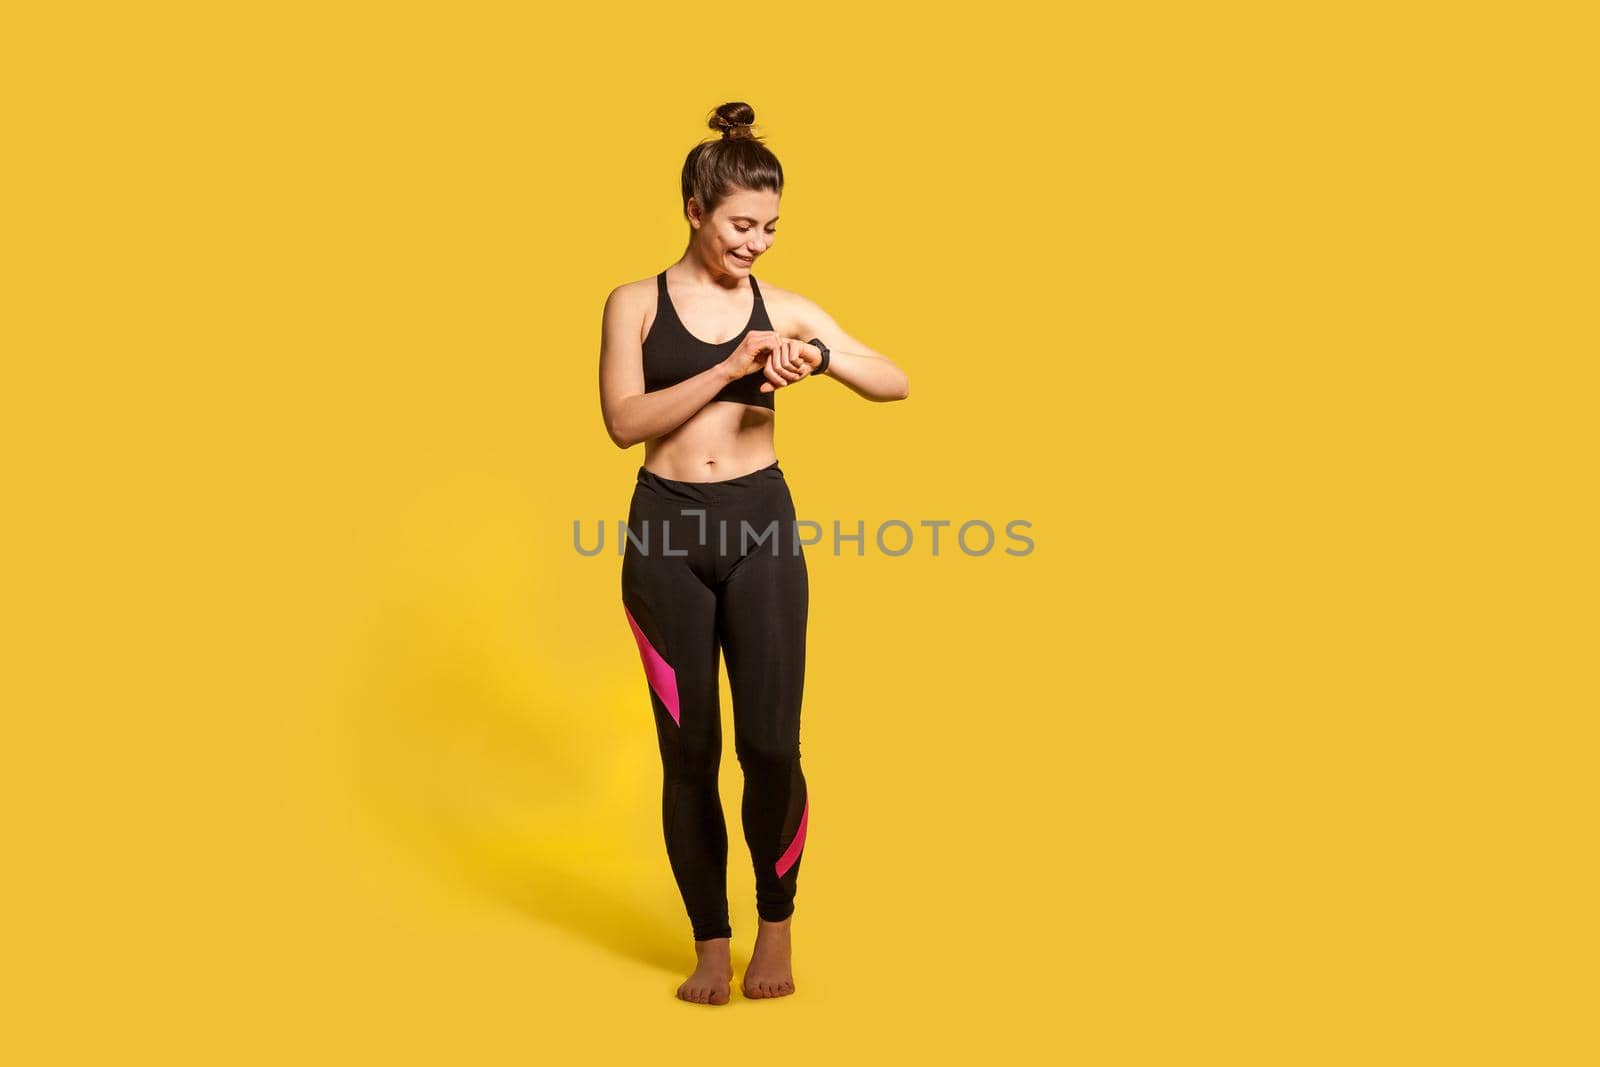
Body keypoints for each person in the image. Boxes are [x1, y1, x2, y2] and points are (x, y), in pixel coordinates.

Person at [597, 101, 910, 1005]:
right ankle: (710, 944)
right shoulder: (635, 302)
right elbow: (625, 422)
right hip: (664, 534)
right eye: (741, 223)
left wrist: (817, 356)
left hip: (761, 529)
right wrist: (733, 365)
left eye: (771, 227)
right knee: (689, 754)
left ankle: (776, 930)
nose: (757, 242)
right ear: (695, 210)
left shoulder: (787, 307)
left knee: (771, 746)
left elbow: (894, 380)